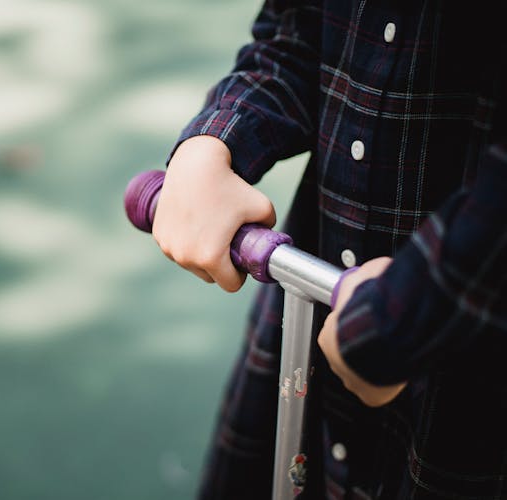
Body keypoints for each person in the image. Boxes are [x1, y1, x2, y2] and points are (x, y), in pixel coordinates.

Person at [152, 1, 507, 498]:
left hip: (465, 363)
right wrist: (211, 143)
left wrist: (413, 313)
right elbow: (296, 34)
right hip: (320, 283)